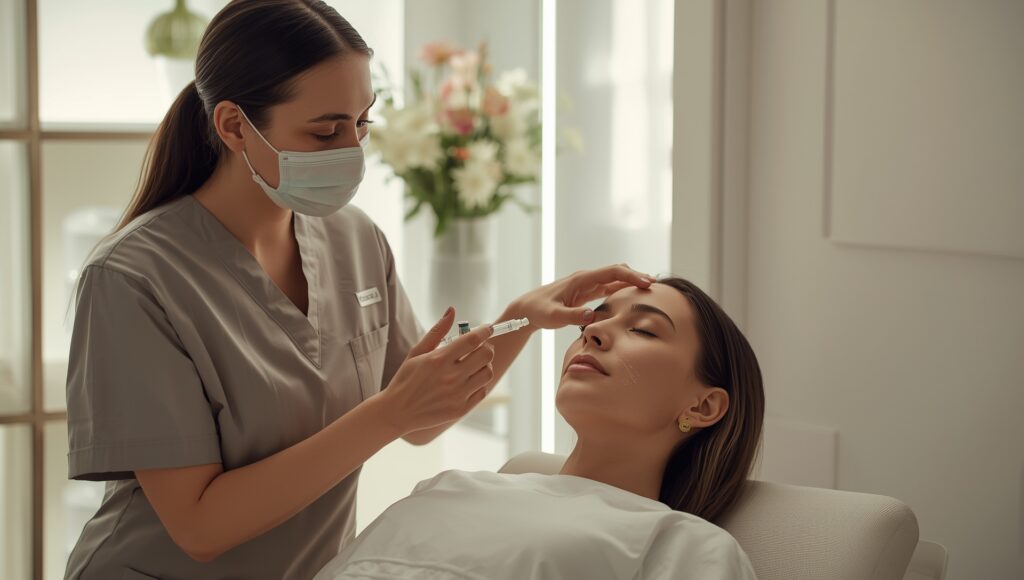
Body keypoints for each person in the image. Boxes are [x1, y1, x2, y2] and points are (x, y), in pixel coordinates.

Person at [62, 1, 654, 578]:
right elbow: (200, 527)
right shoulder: (134, 278)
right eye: (325, 131)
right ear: (235, 126)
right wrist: (389, 413)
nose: (352, 151)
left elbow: (420, 417)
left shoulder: (353, 239)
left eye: (361, 123)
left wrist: (521, 318)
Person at [312, 277, 765, 580]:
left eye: (644, 330)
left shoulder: (685, 548)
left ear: (703, 405)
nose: (594, 333)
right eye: (592, 320)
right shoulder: (449, 488)